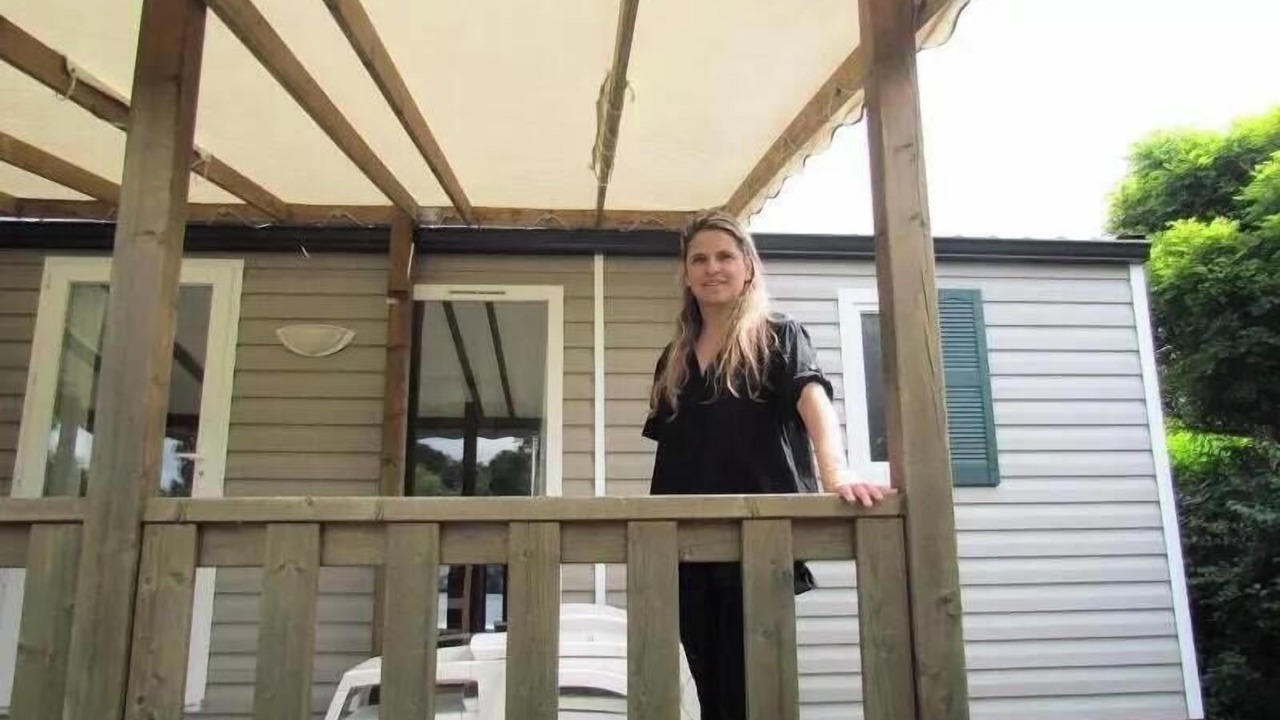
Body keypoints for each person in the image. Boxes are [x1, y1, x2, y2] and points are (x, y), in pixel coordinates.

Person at [642, 210, 891, 720]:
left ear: (748, 267)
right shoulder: (675, 357)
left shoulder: (778, 334)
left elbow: (813, 402)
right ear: (686, 275)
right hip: (684, 549)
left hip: (757, 541)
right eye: (699, 259)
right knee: (712, 691)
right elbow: (675, 454)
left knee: (751, 691)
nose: (713, 268)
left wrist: (836, 475)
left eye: (725, 256)